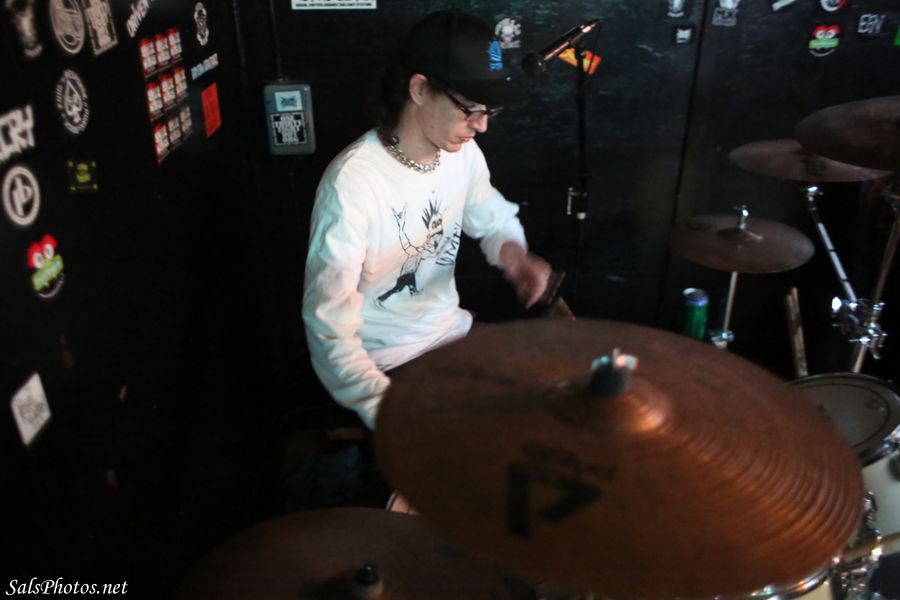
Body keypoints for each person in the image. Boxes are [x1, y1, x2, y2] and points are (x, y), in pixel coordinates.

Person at [302, 9, 551, 429]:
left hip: (452, 333)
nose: (482, 126)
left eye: (489, 111)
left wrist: (515, 257)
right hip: (386, 362)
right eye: (469, 109)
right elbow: (329, 332)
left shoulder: (462, 154)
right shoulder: (352, 183)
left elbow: (492, 220)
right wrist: (386, 410)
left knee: (555, 391)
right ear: (419, 89)